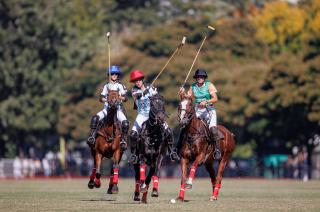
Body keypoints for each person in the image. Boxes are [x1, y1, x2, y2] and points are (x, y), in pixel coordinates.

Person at [128, 69, 179, 162]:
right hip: (142, 115)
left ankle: (172, 151)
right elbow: (136, 96)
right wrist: (145, 92)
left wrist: (153, 93)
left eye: (139, 80)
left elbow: (158, 98)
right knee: (132, 134)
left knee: (168, 130)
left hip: (153, 114)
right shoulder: (134, 90)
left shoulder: (150, 87)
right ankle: (133, 154)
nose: (138, 82)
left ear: (142, 80)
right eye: (136, 81)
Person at [179, 68, 223, 159]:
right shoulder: (193, 86)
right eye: (198, 77)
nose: (200, 78)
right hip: (197, 110)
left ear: (204, 78)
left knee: (213, 129)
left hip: (209, 110)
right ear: (196, 78)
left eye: (201, 77)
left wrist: (206, 102)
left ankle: (217, 150)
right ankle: (177, 148)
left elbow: (215, 98)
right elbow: (187, 98)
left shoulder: (209, 85)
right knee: (185, 125)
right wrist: (182, 93)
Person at [87, 65, 129, 151]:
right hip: (107, 109)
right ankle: (92, 136)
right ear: (109, 75)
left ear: (118, 75)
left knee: (125, 123)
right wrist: (106, 99)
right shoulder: (106, 86)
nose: (114, 75)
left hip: (117, 110)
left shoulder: (121, 86)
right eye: (112, 74)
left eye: (116, 74)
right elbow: (101, 97)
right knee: (95, 118)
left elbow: (126, 98)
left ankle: (123, 141)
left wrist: (119, 97)